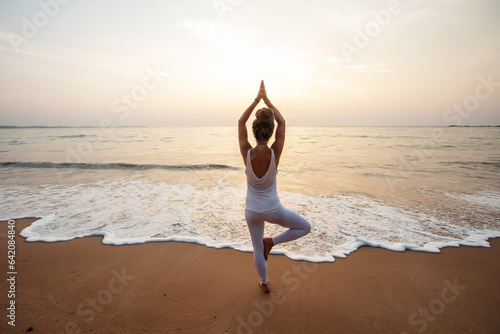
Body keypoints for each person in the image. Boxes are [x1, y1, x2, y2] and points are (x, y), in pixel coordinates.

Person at [238, 81, 311, 293]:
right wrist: (267, 100)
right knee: (305, 227)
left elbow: (240, 121)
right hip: (273, 209)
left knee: (256, 248)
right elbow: (283, 122)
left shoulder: (246, 152)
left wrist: (256, 100)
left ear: (254, 131)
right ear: (270, 132)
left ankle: (265, 282)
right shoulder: (274, 152)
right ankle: (273, 242)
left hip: (251, 211)